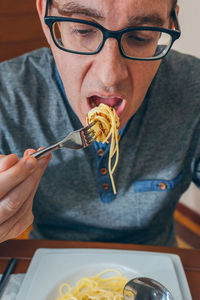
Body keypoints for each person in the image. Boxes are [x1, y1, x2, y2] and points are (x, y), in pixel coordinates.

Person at [0, 0, 199, 246]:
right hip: (48, 257)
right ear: (44, 16)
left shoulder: (194, 89)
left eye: (140, 36)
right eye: (82, 30)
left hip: (156, 263)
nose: (110, 76)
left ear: (168, 24)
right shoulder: (6, 95)